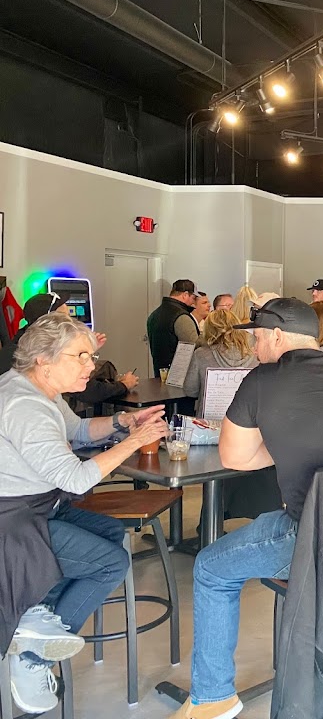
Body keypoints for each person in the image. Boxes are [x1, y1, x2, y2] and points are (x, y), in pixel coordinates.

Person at [172, 297, 323, 719]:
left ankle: (213, 698)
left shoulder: (263, 379)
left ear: (276, 336)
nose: (255, 347)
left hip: (318, 533)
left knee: (211, 568)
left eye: (257, 337)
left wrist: (283, 446)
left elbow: (235, 457)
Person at [0, 314, 166, 714]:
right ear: (44, 360)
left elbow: (76, 431)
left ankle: (35, 614)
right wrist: (135, 442)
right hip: (14, 523)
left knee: (112, 534)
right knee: (111, 562)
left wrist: (125, 421)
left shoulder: (37, 389)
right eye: (82, 356)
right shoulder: (26, 407)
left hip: (39, 507)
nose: (92, 366)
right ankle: (32, 657)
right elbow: (75, 479)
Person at [0, 294, 139, 408]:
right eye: (64, 319)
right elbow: (88, 391)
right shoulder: (23, 356)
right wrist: (123, 385)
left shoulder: (19, 344)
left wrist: (82, 352)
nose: (71, 324)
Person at [183, 310, 259, 416]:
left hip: (209, 419)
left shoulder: (201, 355)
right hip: (244, 418)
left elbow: (190, 391)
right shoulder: (256, 353)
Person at [146, 279, 200, 372]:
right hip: (179, 374)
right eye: (193, 298)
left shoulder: (154, 315)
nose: (193, 303)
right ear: (185, 295)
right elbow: (194, 348)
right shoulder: (181, 317)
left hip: (160, 372)